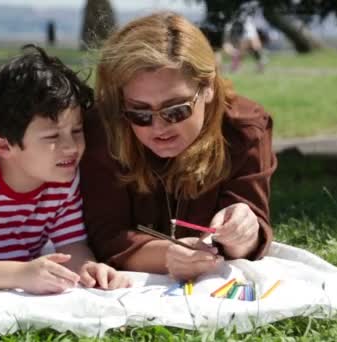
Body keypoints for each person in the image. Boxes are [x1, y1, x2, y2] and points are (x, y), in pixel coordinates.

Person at [81, 12, 277, 281]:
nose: (159, 127)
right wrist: (168, 255)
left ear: (207, 87)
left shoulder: (244, 128)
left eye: (176, 110)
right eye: (140, 113)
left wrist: (243, 230)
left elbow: (252, 236)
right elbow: (106, 236)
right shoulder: (102, 128)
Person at [0, 45, 131, 294]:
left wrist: (87, 269)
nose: (71, 147)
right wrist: (20, 274)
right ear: (3, 145)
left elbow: (71, 244)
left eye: (76, 131)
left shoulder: (62, 177)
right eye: (53, 136)